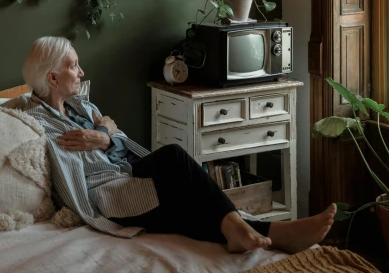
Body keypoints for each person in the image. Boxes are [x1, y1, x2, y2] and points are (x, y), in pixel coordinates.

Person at [24, 36, 336, 251]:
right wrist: (106, 136)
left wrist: (104, 138)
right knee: (176, 170)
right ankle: (269, 232)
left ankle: (256, 232)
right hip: (107, 192)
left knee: (180, 187)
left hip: (126, 169)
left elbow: (119, 142)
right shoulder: (41, 124)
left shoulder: (83, 107)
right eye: (73, 66)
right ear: (52, 78)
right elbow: (72, 178)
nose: (81, 72)